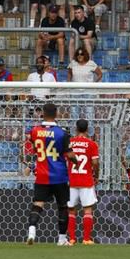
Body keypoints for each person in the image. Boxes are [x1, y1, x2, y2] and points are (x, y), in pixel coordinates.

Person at [26, 103, 78, 246]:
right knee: (62, 206)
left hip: (42, 175)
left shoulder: (34, 131)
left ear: (42, 113)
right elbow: (69, 154)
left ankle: (32, 231)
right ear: (56, 114)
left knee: (37, 204)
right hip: (59, 176)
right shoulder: (62, 133)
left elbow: (32, 143)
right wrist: (76, 161)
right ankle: (62, 239)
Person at [66, 119, 99, 245]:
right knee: (88, 210)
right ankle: (86, 239)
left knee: (71, 210)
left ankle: (72, 239)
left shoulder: (70, 143)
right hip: (86, 180)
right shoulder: (92, 144)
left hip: (71, 180)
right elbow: (95, 163)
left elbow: (66, 159)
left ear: (76, 128)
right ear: (87, 129)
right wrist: (96, 175)